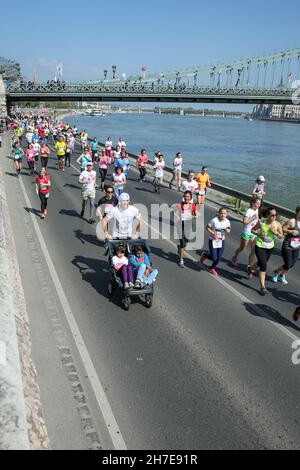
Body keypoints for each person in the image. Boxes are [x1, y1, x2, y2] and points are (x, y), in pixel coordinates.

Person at [249, 207, 283, 295]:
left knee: (261, 263)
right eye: (272, 215)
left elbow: (281, 237)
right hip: (260, 246)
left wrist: (275, 233)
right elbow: (252, 230)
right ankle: (262, 287)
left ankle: (251, 268)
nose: (274, 217)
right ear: (268, 215)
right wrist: (258, 233)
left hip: (270, 247)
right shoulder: (261, 223)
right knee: (263, 265)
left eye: (275, 215)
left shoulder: (277, 224)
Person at [232, 197, 261, 274]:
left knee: (253, 250)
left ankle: (249, 267)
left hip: (253, 233)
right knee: (242, 248)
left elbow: (256, 220)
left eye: (259, 204)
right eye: (257, 204)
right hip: (246, 232)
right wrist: (252, 218)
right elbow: (244, 222)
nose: (258, 205)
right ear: (253, 203)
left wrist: (259, 225)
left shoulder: (257, 210)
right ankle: (235, 257)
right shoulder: (249, 211)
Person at [273, 205, 300, 285]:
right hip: (287, 245)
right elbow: (283, 229)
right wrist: (291, 232)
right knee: (287, 265)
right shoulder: (292, 221)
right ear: (297, 212)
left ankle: (282, 275)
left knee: (291, 265)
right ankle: (276, 272)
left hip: (297, 246)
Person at [200, 207, 231, 276]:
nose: (223, 215)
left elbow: (229, 228)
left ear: (226, 214)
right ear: (219, 213)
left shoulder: (227, 221)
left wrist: (228, 230)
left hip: (221, 240)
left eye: (224, 213)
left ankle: (212, 268)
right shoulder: (214, 220)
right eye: (221, 213)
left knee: (219, 257)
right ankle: (205, 255)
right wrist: (211, 232)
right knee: (214, 257)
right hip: (213, 240)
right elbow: (207, 227)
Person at [172, 191, 198, 268]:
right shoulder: (180, 205)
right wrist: (177, 216)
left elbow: (196, 215)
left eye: (188, 196)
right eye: (185, 196)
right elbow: (173, 212)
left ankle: (179, 248)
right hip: (180, 226)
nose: (186, 198)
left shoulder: (193, 206)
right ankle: (181, 259)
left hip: (188, 226)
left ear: (190, 198)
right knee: (183, 243)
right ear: (183, 197)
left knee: (185, 242)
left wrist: (192, 216)